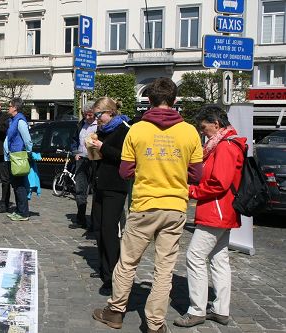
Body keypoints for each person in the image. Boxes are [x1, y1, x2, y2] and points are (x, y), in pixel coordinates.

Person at [92, 77, 203, 333]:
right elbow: (196, 174)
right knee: (164, 268)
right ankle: (154, 324)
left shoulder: (138, 130)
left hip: (144, 204)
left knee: (128, 262)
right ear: (174, 101)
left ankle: (116, 311)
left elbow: (125, 170)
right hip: (175, 206)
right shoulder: (188, 131)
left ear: (149, 101)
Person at [174, 105, 246, 328]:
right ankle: (220, 309)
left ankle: (196, 310)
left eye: (204, 128)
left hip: (216, 210)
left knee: (195, 257)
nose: (202, 132)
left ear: (216, 124)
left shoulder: (224, 146)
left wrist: (191, 191)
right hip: (224, 210)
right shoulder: (228, 143)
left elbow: (219, 183)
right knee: (219, 259)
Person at [88, 97, 130, 295]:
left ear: (110, 113)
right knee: (98, 228)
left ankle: (113, 275)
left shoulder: (123, 129)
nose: (97, 119)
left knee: (109, 230)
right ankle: (104, 268)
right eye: (95, 115)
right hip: (100, 184)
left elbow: (124, 157)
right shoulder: (102, 131)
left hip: (115, 186)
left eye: (99, 115)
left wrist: (102, 147)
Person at [69, 101, 97, 229]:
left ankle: (95, 221)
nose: (87, 117)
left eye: (90, 115)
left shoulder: (100, 125)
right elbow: (74, 141)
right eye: (85, 115)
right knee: (80, 189)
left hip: (95, 161)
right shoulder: (81, 125)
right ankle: (81, 218)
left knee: (96, 190)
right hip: (81, 160)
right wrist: (75, 152)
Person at [4, 97, 33, 221]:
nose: (8, 108)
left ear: (15, 108)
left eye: (9, 106)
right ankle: (19, 210)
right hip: (13, 156)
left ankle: (23, 213)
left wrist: (28, 152)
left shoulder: (20, 120)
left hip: (18, 157)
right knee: (16, 185)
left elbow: (27, 139)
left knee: (20, 185)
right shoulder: (13, 120)